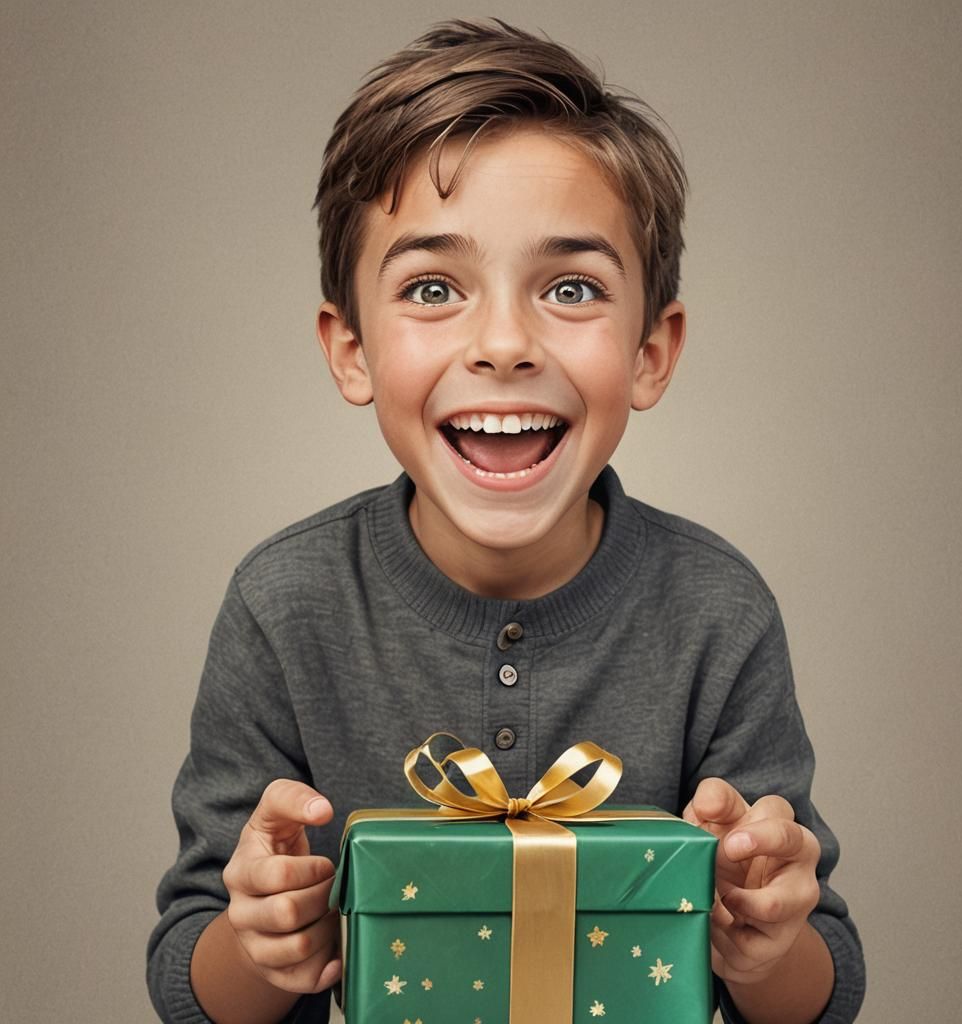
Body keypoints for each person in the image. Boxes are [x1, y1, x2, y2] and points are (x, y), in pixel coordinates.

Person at [147, 17, 865, 1024]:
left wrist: (764, 937)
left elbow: (818, 989)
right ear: (349, 349)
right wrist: (262, 941)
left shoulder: (716, 609)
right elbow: (192, 978)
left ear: (652, 351)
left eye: (569, 287)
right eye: (433, 287)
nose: (502, 342)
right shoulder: (284, 604)